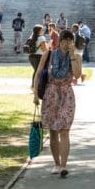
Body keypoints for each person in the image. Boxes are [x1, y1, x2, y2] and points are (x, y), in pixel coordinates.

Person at [34, 29, 82, 177]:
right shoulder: (48, 54)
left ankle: (63, 165)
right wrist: (36, 94)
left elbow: (77, 74)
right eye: (65, 40)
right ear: (59, 41)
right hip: (51, 94)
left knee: (65, 129)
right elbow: (38, 73)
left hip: (66, 94)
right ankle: (56, 163)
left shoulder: (76, 56)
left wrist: (73, 56)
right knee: (53, 130)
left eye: (70, 40)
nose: (67, 43)